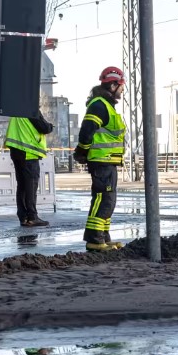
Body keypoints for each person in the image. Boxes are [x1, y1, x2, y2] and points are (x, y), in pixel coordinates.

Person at [73, 66, 127, 252]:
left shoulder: (106, 105)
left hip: (108, 160)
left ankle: (103, 236)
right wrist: (82, 151)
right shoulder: (99, 105)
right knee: (103, 198)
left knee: (108, 199)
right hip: (101, 160)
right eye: (121, 85)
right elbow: (87, 130)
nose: (122, 90)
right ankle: (95, 239)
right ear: (113, 85)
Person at [4, 110, 53, 226]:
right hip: (28, 151)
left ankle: (23, 216)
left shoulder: (17, 109)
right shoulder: (30, 109)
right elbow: (44, 127)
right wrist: (51, 126)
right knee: (31, 185)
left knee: (22, 185)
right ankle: (32, 216)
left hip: (16, 150)